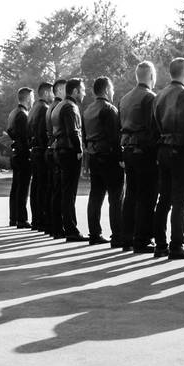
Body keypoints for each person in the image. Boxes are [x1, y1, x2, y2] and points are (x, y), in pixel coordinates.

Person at [153, 57, 184, 259]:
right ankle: (176, 244)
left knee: (164, 199)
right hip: (179, 150)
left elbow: (154, 124)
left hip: (162, 149)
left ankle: (160, 244)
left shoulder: (159, 96)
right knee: (180, 200)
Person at [119, 62, 160, 254]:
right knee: (147, 195)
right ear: (151, 76)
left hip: (128, 148)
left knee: (131, 194)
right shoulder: (150, 97)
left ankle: (127, 236)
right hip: (144, 150)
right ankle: (142, 238)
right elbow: (153, 128)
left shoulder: (125, 98)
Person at [83, 76, 124, 247]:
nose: (113, 92)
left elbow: (84, 138)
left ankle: (94, 233)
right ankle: (118, 235)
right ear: (107, 89)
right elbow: (115, 137)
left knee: (95, 195)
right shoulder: (109, 109)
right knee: (116, 197)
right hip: (109, 157)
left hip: (94, 156)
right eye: (112, 89)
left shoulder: (87, 110)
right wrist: (121, 158)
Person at [52, 78, 88, 241]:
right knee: (69, 192)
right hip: (69, 152)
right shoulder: (70, 107)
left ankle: (58, 227)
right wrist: (79, 150)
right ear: (75, 91)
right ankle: (71, 230)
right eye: (82, 90)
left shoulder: (59, 106)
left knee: (61, 191)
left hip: (59, 150)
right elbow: (74, 131)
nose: (85, 93)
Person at [5, 87, 34, 229]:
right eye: (32, 97)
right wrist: (28, 154)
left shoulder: (13, 113)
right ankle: (21, 219)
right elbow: (23, 138)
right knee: (22, 188)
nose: (33, 100)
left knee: (15, 188)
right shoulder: (23, 115)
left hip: (16, 154)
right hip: (22, 155)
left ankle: (13, 218)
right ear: (27, 98)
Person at [27, 82, 53, 233]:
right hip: (41, 150)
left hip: (34, 150)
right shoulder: (44, 108)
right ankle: (42, 220)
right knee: (43, 187)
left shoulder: (33, 109)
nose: (53, 95)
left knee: (36, 186)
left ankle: (36, 220)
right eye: (51, 92)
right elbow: (43, 132)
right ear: (45, 93)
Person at [44, 79, 67, 238]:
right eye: (66, 88)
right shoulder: (58, 107)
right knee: (59, 191)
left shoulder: (52, 106)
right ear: (58, 90)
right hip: (57, 150)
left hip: (52, 150)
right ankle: (58, 227)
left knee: (54, 190)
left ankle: (53, 226)